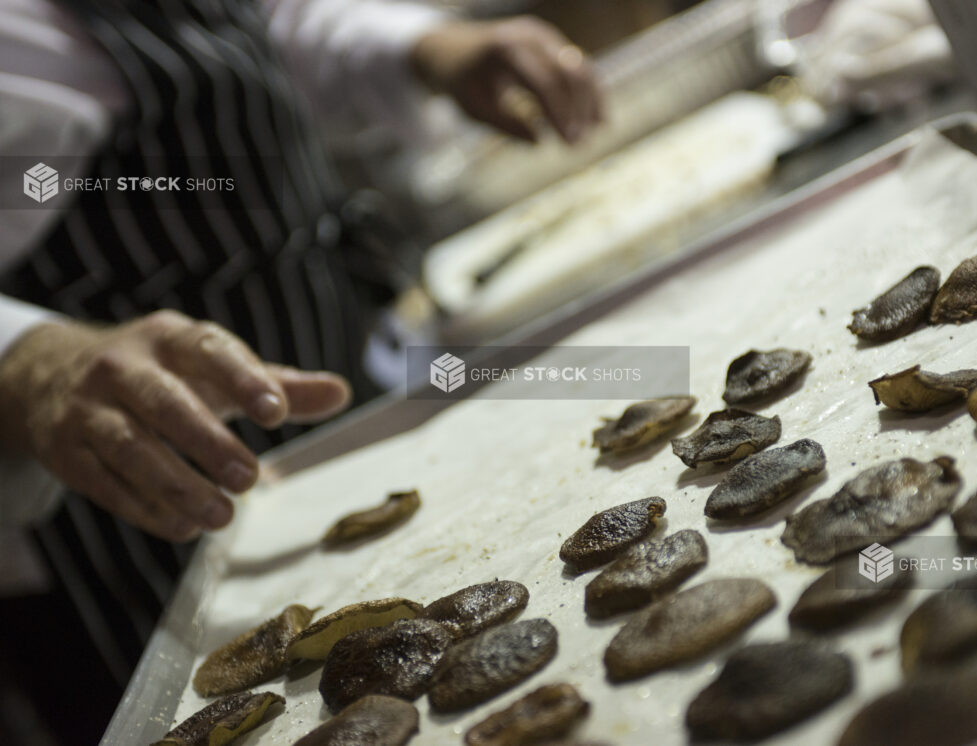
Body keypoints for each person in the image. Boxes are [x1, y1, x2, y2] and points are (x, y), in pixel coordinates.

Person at [0, 0, 601, 740]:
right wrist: (25, 356)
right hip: (117, 501)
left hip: (331, 382)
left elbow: (253, 23)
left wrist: (424, 47)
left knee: (420, 594)